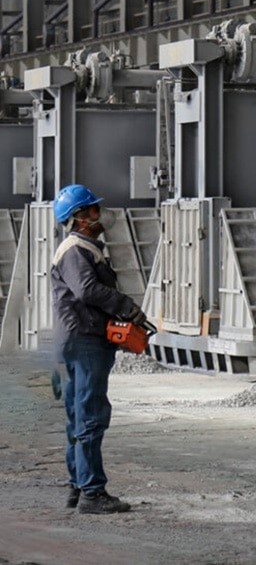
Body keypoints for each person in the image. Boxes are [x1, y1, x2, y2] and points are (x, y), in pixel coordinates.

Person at [51, 184, 146, 515]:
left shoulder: (81, 247)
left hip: (79, 338)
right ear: (80, 217)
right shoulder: (76, 249)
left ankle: (78, 487)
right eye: (93, 209)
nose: (99, 213)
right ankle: (92, 493)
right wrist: (126, 306)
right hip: (86, 340)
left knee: (79, 415)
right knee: (90, 414)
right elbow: (87, 290)